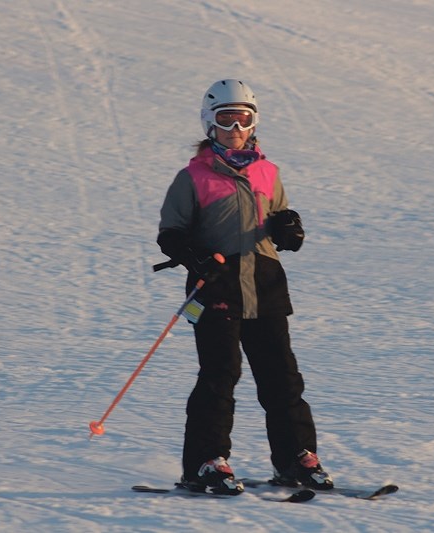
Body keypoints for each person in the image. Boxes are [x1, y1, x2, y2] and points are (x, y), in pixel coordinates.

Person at [156, 79, 333, 494]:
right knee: (221, 374)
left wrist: (288, 227)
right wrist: (192, 254)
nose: (235, 126)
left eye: (244, 118)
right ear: (209, 123)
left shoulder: (268, 171)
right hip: (217, 286)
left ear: (254, 123)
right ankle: (207, 463)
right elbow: (170, 232)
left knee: (282, 377)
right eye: (226, 118)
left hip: (266, 285)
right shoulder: (193, 177)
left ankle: (296, 459)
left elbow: (278, 214)